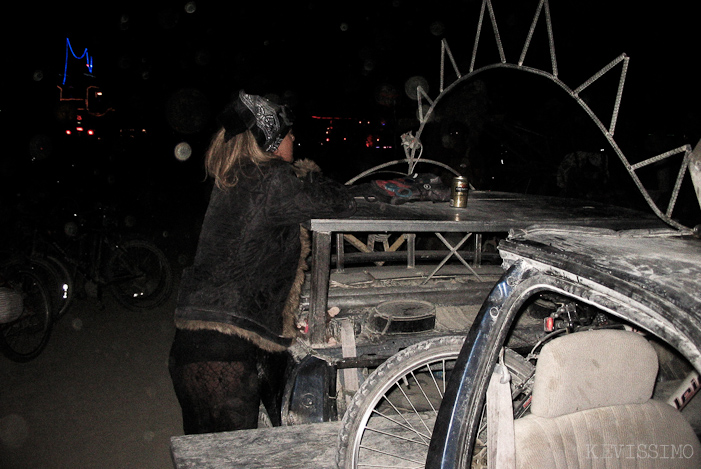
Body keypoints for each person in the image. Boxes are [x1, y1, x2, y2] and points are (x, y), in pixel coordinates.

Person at [168, 90, 356, 434]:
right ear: (271, 141)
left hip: (193, 346)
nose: (295, 138)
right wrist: (308, 174)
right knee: (236, 458)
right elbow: (335, 202)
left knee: (207, 456)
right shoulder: (273, 180)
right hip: (225, 354)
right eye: (288, 133)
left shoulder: (236, 176)